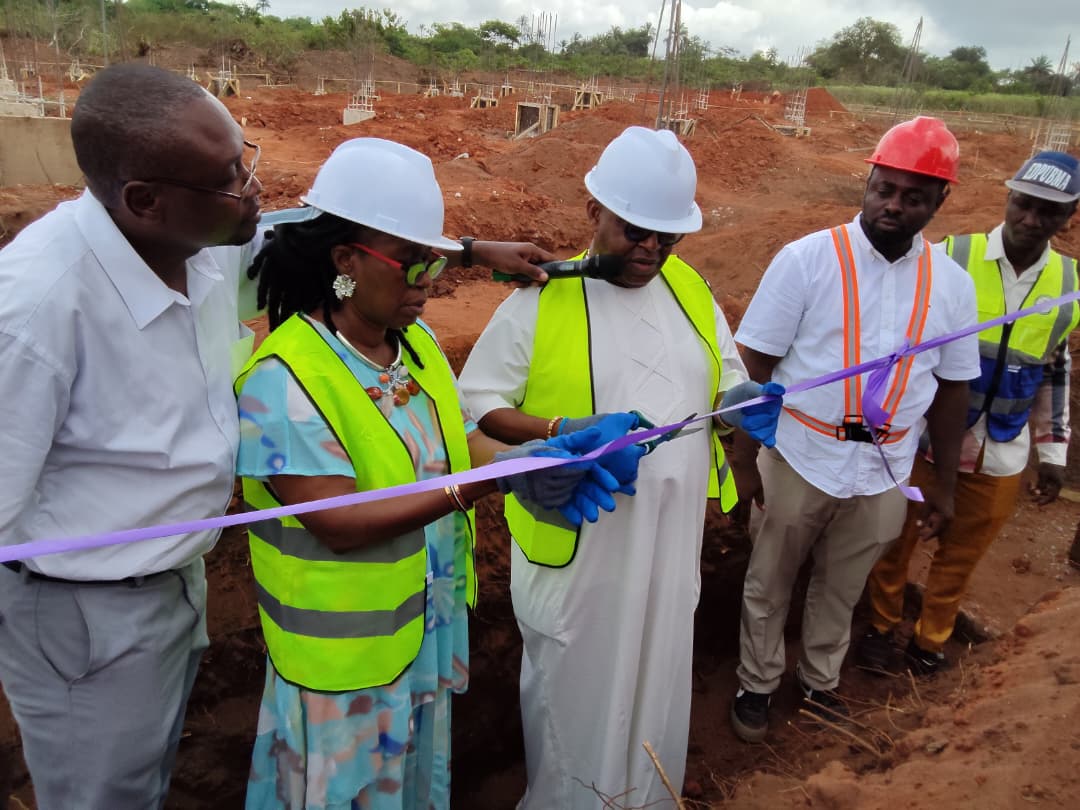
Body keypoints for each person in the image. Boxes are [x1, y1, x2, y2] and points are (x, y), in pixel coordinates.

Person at [0, 64, 559, 809]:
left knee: (146, 775)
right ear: (145, 200)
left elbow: (319, 240)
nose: (256, 189)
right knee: (100, 794)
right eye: (231, 178)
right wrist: (499, 477)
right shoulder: (33, 312)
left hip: (176, 581)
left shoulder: (201, 245)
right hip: (83, 608)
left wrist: (469, 250)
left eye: (246, 157)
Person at [236, 137, 637, 810]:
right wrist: (489, 484)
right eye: (412, 265)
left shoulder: (414, 346)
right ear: (345, 262)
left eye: (436, 264)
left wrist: (540, 450)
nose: (430, 283)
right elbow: (336, 523)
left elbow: (459, 441)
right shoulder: (283, 379)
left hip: (420, 637)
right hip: (342, 670)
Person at [458, 125, 783, 808]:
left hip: (669, 553)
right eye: (636, 232)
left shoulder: (690, 290)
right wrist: (556, 431)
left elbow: (723, 384)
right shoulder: (543, 299)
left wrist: (740, 405)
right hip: (582, 558)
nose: (652, 252)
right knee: (577, 700)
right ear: (593, 213)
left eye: (669, 239)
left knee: (656, 684)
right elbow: (477, 407)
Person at [728, 116, 982, 743]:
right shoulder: (807, 260)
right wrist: (740, 462)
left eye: (912, 196)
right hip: (799, 453)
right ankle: (755, 684)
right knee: (769, 580)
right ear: (868, 181)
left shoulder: (952, 285)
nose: (893, 204)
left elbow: (952, 392)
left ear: (939, 201)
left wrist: (943, 485)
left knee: (843, 587)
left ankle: (819, 682)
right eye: (883, 189)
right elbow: (752, 368)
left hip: (886, 469)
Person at [860, 150, 1079, 675]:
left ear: (1068, 217)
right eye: (1023, 205)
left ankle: (930, 641)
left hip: (998, 449)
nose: (1030, 220)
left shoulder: (1069, 285)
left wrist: (1052, 449)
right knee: (894, 538)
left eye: (1047, 213)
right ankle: (880, 627)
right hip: (922, 442)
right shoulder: (950, 256)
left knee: (961, 555)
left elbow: (1055, 368)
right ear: (1008, 199)